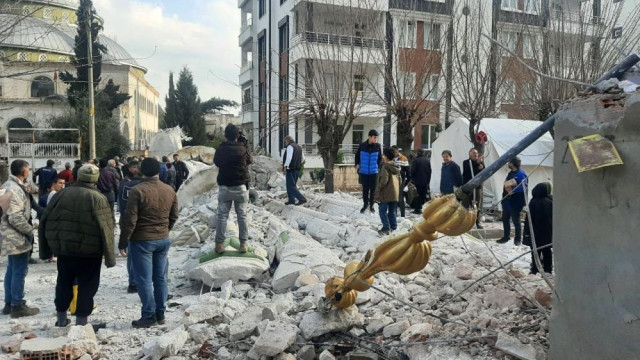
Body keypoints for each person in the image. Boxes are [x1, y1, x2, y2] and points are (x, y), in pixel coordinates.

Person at [39, 164, 115, 328]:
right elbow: (107, 227)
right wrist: (109, 256)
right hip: (90, 253)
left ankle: (61, 320)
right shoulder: (98, 198)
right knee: (87, 286)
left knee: (64, 282)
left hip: (65, 250)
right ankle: (81, 325)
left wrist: (47, 248)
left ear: (77, 177)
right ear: (95, 180)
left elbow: (45, 220)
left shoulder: (62, 194)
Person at [119, 158, 178, 328]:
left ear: (140, 171)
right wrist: (165, 230)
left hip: (142, 240)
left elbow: (130, 220)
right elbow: (174, 216)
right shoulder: (169, 190)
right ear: (159, 171)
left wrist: (123, 242)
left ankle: (148, 314)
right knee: (160, 278)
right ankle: (160, 313)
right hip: (163, 239)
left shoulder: (137, 191)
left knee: (144, 279)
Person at [1, 160, 39, 318]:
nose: (29, 172)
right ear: (24, 171)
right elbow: (15, 217)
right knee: (19, 270)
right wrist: (29, 230)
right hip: (15, 235)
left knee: (12, 268)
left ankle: (9, 304)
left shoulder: (8, 185)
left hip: (7, 233)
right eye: (28, 170)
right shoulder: (14, 189)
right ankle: (17, 305)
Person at [213, 124, 252, 254]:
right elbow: (249, 161)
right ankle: (243, 244)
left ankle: (219, 245)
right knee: (242, 215)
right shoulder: (242, 148)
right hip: (240, 186)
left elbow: (217, 162)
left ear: (225, 135)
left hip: (224, 186)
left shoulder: (221, 149)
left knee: (222, 216)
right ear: (237, 135)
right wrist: (244, 145)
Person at [117, 161, 141, 293]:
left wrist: (122, 241)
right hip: (148, 228)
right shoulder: (147, 187)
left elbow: (121, 206)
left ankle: (133, 283)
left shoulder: (124, 185)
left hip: (128, 223)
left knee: (132, 254)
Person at [523, 182, 553, 274]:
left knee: (535, 251)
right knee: (547, 250)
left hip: (535, 231)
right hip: (547, 231)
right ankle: (548, 269)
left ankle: (535, 269)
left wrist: (527, 232)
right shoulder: (550, 202)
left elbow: (529, 219)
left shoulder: (533, 202)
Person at [497, 157, 528, 245]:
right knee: (505, 219)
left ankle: (517, 239)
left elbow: (524, 187)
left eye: (509, 162)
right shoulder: (511, 173)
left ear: (513, 164)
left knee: (516, 220)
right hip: (507, 200)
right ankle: (506, 237)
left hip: (516, 201)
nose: (508, 164)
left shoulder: (521, 174)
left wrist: (512, 189)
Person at [375, 148, 401, 236]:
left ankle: (386, 227)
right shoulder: (396, 166)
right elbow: (400, 180)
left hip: (386, 193)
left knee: (382, 210)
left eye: (383, 155)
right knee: (392, 211)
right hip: (395, 193)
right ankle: (393, 227)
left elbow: (384, 180)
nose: (382, 157)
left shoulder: (385, 166)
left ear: (386, 156)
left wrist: (378, 189)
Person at [355, 130, 382, 214]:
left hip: (374, 172)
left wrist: (377, 166)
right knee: (365, 190)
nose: (376, 139)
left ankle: (371, 205)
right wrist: (357, 164)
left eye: (377, 137)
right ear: (369, 137)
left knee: (373, 190)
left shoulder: (378, 146)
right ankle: (365, 204)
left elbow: (380, 158)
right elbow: (357, 156)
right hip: (364, 172)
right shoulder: (362, 146)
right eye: (374, 137)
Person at [462, 148, 485, 229]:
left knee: (476, 205)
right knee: (466, 205)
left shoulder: (481, 163)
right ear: (469, 154)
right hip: (468, 187)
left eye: (476, 153)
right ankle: (465, 222)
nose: (475, 154)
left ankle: (477, 222)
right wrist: (477, 164)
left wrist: (481, 166)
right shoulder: (466, 162)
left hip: (477, 187)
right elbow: (468, 172)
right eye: (473, 153)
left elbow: (483, 173)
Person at [282, 136, 307, 206]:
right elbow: (303, 159)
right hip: (297, 169)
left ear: (288, 140)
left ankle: (302, 199)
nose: (285, 143)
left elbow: (289, 158)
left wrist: (285, 167)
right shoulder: (299, 147)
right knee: (291, 185)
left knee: (290, 186)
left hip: (290, 169)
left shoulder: (290, 147)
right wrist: (298, 164)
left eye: (285, 142)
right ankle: (291, 200)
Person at [410, 149, 432, 214]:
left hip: (417, 180)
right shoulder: (427, 161)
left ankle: (417, 209)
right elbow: (430, 171)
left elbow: (412, 171)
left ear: (417, 153)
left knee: (417, 195)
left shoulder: (415, 160)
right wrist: (428, 180)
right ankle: (423, 207)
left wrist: (412, 179)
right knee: (423, 194)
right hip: (425, 180)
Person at [391, 146, 410, 218]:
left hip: (401, 180)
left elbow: (408, 171)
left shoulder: (403, 158)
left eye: (396, 152)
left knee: (400, 198)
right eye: (393, 152)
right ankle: (394, 215)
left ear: (398, 151)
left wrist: (407, 183)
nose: (395, 153)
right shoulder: (390, 158)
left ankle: (402, 216)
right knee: (393, 198)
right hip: (392, 181)